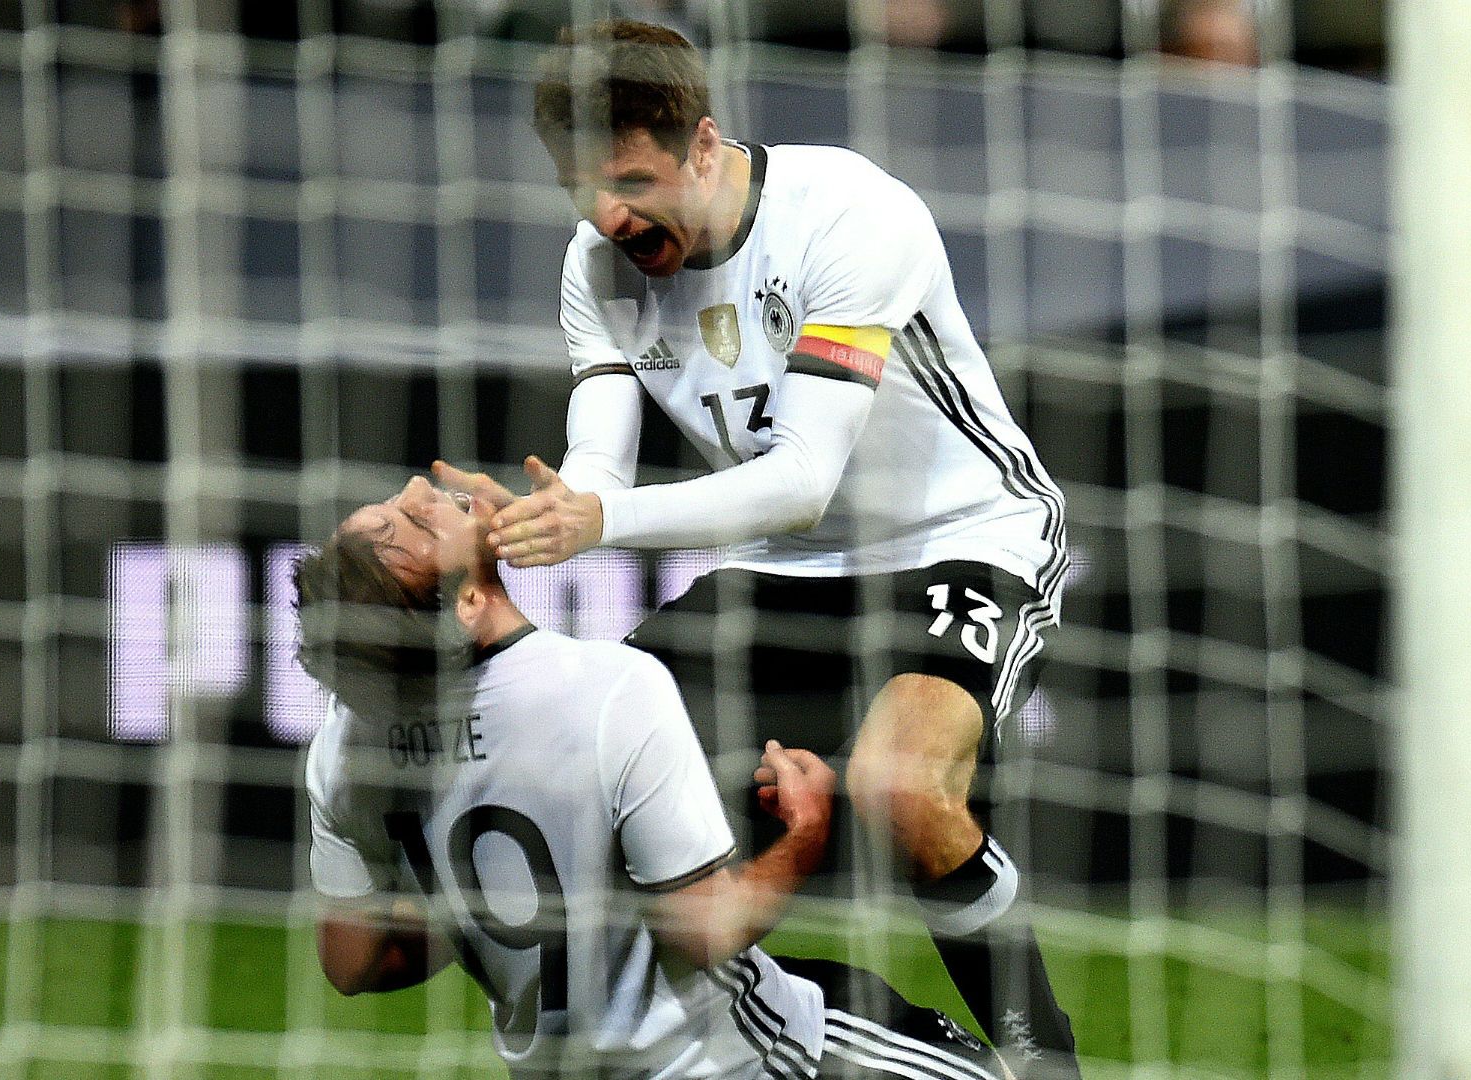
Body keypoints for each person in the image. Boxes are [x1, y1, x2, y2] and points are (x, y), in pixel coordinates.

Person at [432, 19, 1079, 1078]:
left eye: (633, 178)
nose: (608, 213)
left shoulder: (848, 218)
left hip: (964, 535)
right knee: (587, 773)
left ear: (705, 145)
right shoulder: (596, 266)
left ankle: (1043, 1062)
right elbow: (600, 467)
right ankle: (802, 1040)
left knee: (902, 788)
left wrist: (604, 521)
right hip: (787, 572)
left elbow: (800, 482)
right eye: (580, 186)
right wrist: (544, 517)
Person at [295, 475, 1014, 1080]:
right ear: (467, 603)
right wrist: (808, 830)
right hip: (740, 1060)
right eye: (415, 518)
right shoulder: (608, 688)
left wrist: (488, 908)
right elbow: (705, 931)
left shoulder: (339, 748)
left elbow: (355, 961)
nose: (422, 486)